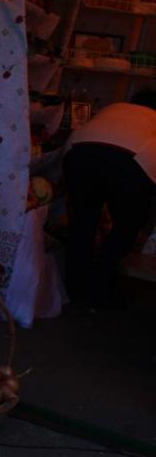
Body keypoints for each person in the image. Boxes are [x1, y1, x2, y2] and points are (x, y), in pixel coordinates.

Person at [62, 88, 156, 307]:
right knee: (126, 226)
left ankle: (74, 287)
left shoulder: (114, 107)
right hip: (131, 163)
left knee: (83, 221)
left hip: (77, 153)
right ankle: (102, 287)